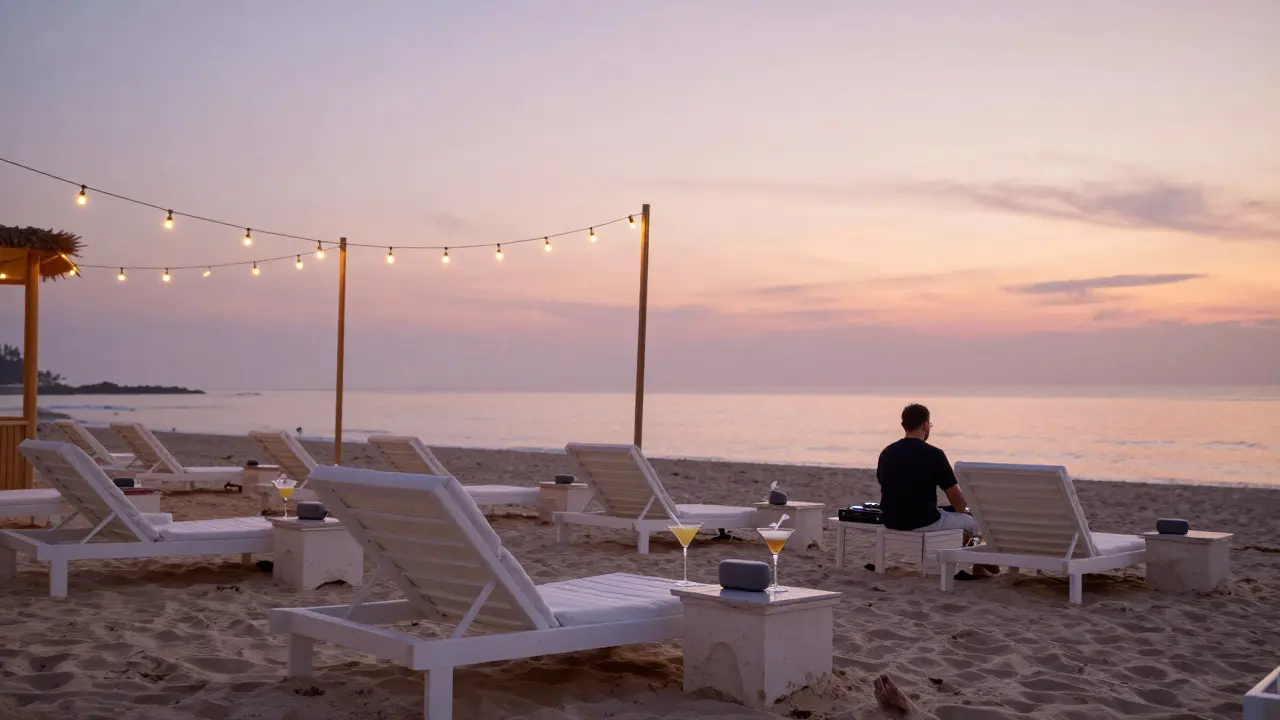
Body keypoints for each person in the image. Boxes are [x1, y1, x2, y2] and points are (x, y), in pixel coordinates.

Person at [876, 403, 979, 535]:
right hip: (923, 522)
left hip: (891, 521)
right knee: (973, 523)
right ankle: (959, 554)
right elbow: (959, 505)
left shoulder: (886, 453)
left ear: (904, 425)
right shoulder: (934, 454)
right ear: (925, 425)